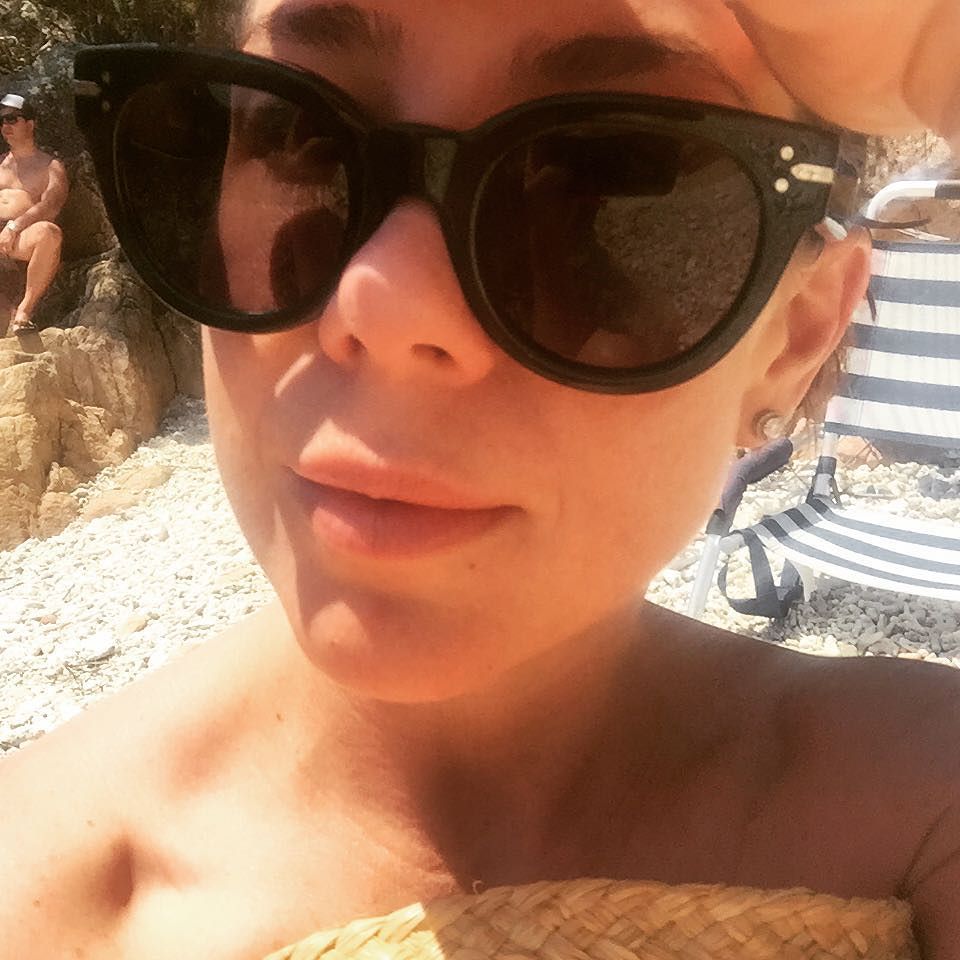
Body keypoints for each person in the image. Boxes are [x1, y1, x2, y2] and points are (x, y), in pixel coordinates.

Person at [2, 1, 960, 957]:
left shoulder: (924, 815)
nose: (388, 300)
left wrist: (936, 56)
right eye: (297, 133)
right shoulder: (35, 894)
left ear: (796, 336)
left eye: (603, 166)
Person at [0, 92, 68, 335]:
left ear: (30, 124)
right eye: (1, 121)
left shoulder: (50, 166)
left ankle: (24, 312)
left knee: (49, 233)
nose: (5, 125)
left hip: (20, 236)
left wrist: (14, 227)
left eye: (12, 119)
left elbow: (51, 206)